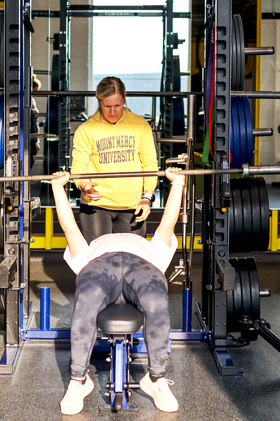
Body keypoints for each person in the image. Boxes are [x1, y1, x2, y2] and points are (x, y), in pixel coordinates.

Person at [52, 167, 183, 415]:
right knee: (87, 298)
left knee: (156, 297)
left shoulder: (151, 248)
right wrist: (58, 187)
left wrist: (177, 183)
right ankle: (79, 380)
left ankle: (155, 379)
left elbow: (168, 223)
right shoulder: (92, 248)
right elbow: (69, 228)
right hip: (101, 264)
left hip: (142, 264)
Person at [70, 77, 158, 242]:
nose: (112, 112)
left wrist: (147, 197)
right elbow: (78, 166)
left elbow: (150, 163)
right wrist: (83, 185)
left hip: (132, 205)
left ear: (124, 101)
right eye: (107, 106)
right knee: (98, 261)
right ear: (99, 102)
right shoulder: (86, 129)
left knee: (132, 261)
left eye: (117, 105)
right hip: (96, 206)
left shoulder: (139, 125)